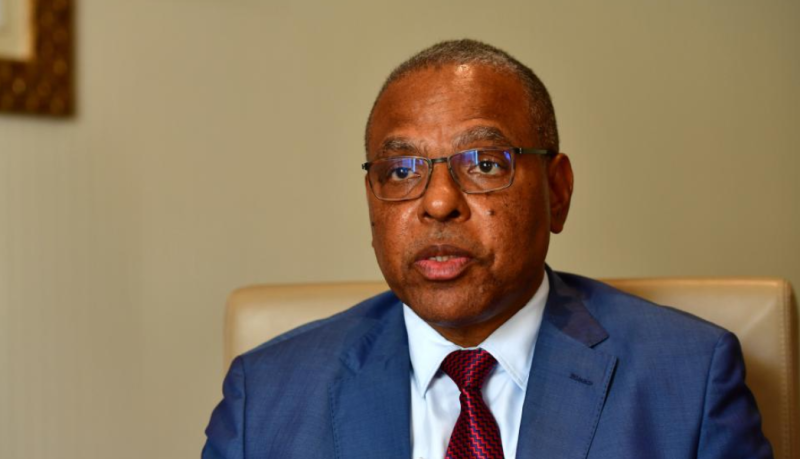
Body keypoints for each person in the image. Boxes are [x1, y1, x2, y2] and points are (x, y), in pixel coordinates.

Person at [202, 39, 772, 459]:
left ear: (557, 192)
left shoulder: (688, 379)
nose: (438, 203)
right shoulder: (266, 397)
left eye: (485, 164)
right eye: (400, 171)